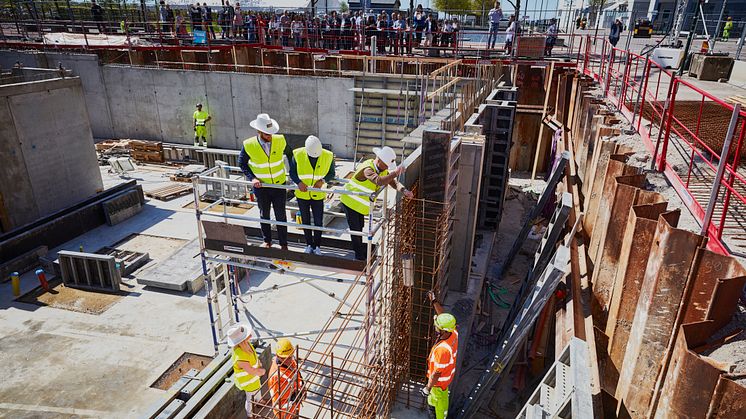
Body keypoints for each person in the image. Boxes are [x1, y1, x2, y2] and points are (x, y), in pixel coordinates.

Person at [340, 146, 413, 261]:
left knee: (360, 228)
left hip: (359, 205)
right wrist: (395, 172)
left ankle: (360, 251)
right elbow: (379, 181)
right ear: (379, 160)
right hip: (350, 202)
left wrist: (404, 191)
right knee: (356, 230)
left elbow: (392, 182)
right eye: (386, 165)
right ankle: (359, 256)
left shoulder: (381, 169)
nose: (387, 168)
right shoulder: (367, 169)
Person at [239, 113, 293, 250]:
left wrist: (293, 174)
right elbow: (242, 164)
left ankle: (284, 244)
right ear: (259, 131)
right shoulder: (249, 145)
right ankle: (267, 241)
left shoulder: (280, 140)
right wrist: (253, 178)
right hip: (261, 186)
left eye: (271, 133)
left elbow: (291, 155)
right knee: (264, 214)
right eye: (267, 134)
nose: (270, 136)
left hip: (279, 185)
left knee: (281, 215)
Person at [289, 136, 335, 255]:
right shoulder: (298, 154)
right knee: (306, 221)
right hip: (302, 194)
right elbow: (292, 172)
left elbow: (332, 173)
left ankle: (317, 246)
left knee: (318, 222)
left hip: (317, 195)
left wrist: (323, 181)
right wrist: (299, 182)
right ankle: (309, 244)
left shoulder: (328, 155)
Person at [420, 291, 458, 419]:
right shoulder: (453, 333)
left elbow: (436, 373)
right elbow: (442, 316)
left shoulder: (442, 350)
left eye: (437, 326)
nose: (435, 327)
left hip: (437, 388)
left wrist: (427, 388)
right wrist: (434, 301)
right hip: (444, 383)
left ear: (443, 330)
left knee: (436, 413)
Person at [227, 324, 266, 419]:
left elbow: (253, 357)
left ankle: (259, 401)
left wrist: (258, 362)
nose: (251, 336)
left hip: (253, 378)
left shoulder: (246, 345)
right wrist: (261, 371)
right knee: (250, 398)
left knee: (257, 388)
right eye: (247, 336)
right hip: (248, 380)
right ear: (242, 341)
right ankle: (250, 415)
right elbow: (251, 370)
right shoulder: (240, 356)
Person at [268, 339, 304, 419]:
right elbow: (278, 402)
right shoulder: (276, 377)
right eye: (286, 358)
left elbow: (297, 374)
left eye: (291, 356)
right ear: (278, 356)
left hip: (295, 407)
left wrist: (301, 388)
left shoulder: (290, 361)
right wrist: (295, 398)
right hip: (286, 413)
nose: (290, 360)